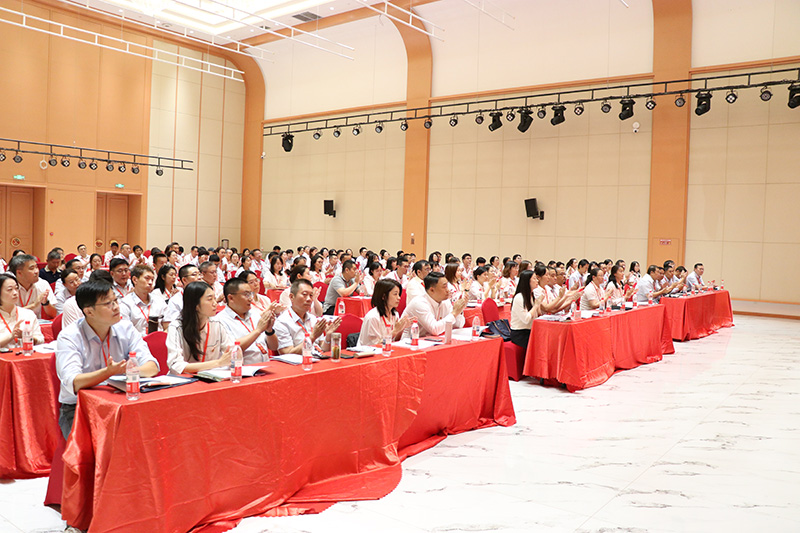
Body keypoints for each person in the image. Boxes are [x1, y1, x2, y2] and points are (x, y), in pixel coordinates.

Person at [56, 280, 159, 437]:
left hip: (121, 402)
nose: (116, 307)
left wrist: (127, 370)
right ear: (89, 311)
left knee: (151, 436)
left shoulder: (125, 327)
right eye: (108, 304)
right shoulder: (69, 336)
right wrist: (108, 372)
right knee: (99, 447)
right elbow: (74, 381)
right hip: (79, 408)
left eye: (116, 300)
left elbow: (152, 367)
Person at [166, 281, 234, 374]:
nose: (215, 303)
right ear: (196, 305)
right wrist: (218, 363)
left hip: (212, 377)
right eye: (209, 299)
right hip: (185, 379)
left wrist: (231, 357)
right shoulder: (176, 328)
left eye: (215, 298)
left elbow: (232, 353)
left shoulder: (217, 324)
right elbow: (176, 365)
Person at [217, 277, 282, 363]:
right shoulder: (220, 320)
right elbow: (232, 349)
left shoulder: (254, 314)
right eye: (246, 294)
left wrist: (269, 331)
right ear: (231, 298)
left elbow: (274, 347)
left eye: (251, 294)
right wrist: (258, 330)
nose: (251, 298)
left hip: (265, 366)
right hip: (242, 368)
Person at [274, 279, 342, 354]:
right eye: (304, 294)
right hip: (300, 360)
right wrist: (312, 337)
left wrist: (328, 336)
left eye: (311, 295)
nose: (309, 299)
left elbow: (322, 348)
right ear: (292, 297)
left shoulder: (313, 319)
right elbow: (287, 353)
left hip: (317, 358)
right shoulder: (282, 322)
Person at [401, 272, 467, 337]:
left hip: (432, 340)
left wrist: (459, 310)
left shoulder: (445, 301)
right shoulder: (419, 303)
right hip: (411, 341)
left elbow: (458, 325)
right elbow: (434, 329)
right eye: (444, 287)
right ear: (432, 290)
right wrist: (454, 312)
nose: (448, 290)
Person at [357, 279, 410, 346]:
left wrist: (401, 329)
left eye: (399, 294)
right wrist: (395, 331)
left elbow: (394, 340)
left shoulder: (395, 314)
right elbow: (374, 346)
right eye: (395, 294)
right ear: (383, 296)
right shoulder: (373, 317)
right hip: (367, 351)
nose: (399, 298)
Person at [120, 264, 167, 336]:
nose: (150, 282)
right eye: (147, 278)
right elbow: (125, 331)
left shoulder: (159, 301)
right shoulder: (125, 303)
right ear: (135, 280)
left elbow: (168, 326)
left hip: (159, 341)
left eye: (152, 279)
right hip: (135, 341)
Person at [0, 274, 44, 348]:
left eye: (16, 288)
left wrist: (27, 336)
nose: (15, 293)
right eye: (9, 290)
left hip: (26, 353)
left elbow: (41, 340)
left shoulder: (28, 314)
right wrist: (11, 336)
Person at [8, 254, 56, 319]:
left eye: (36, 267)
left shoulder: (43, 284)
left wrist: (46, 302)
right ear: (19, 273)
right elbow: (8, 316)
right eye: (32, 268)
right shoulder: (7, 287)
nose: (36, 271)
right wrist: (33, 305)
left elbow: (53, 314)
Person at [509, 271, 544, 348]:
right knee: (541, 344)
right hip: (520, 333)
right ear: (528, 281)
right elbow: (526, 319)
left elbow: (536, 316)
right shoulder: (519, 297)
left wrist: (538, 305)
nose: (537, 281)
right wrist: (536, 305)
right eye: (534, 278)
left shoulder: (531, 295)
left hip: (530, 330)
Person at [163, 264, 202, 328]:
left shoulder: (205, 295)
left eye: (199, 274)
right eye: (194, 274)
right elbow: (174, 325)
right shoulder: (175, 301)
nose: (199, 277)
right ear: (184, 280)